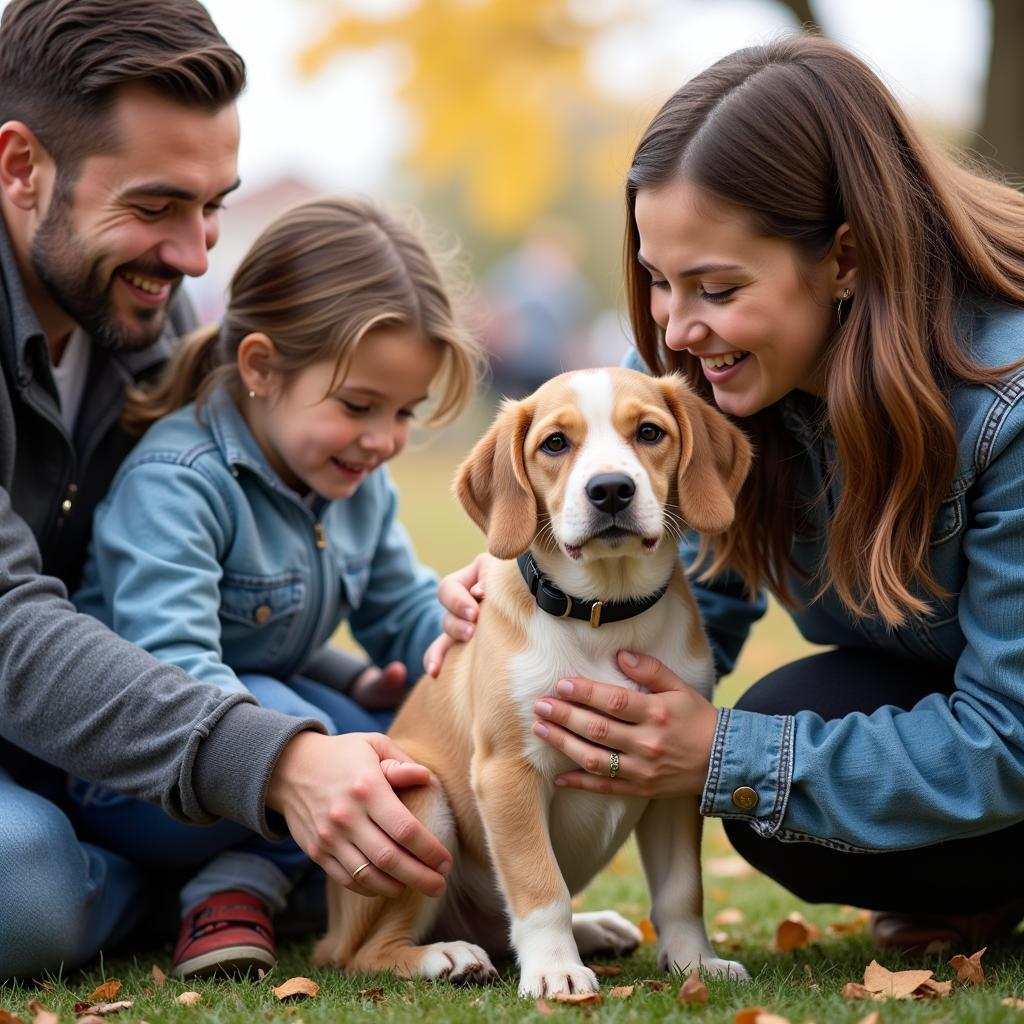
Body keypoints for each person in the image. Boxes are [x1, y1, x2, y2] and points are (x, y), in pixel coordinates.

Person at [436, 35, 1024, 954]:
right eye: (659, 282)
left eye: (714, 287)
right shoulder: (695, 369)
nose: (675, 328)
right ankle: (974, 887)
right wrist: (533, 581)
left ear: (846, 259)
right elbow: (675, 572)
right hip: (944, 700)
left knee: (757, 763)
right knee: (776, 759)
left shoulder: (1006, 406)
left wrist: (722, 755)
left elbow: (1013, 735)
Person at [0, 0, 453, 982]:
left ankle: (223, 879)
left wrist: (380, 681)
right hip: (63, 750)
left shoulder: (144, 308)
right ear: (21, 167)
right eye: (158, 206)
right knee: (20, 884)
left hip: (105, 736)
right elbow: (13, 626)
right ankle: (206, 889)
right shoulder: (181, 430)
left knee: (378, 754)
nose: (199, 255)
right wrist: (284, 761)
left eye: (214, 206)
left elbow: (256, 583)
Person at [70, 194, 481, 977]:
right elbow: (174, 671)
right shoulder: (178, 482)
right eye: (360, 405)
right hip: (139, 778)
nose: (384, 441)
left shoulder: (356, 481)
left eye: (404, 412)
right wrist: (318, 733)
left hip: (266, 747)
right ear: (260, 367)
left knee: (403, 750)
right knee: (321, 729)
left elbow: (401, 611)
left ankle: (255, 882)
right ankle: (227, 887)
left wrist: (465, 635)